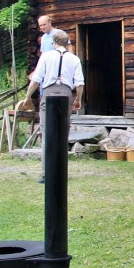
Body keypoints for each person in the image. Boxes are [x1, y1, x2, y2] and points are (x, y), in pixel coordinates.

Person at [17, 30, 84, 182]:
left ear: (54, 43)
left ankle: (46, 173)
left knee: (46, 132)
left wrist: (28, 97)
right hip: (66, 93)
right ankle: (61, 172)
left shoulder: (46, 56)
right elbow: (79, 83)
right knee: (63, 132)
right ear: (67, 44)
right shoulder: (74, 59)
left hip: (48, 93)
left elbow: (36, 79)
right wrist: (77, 99)